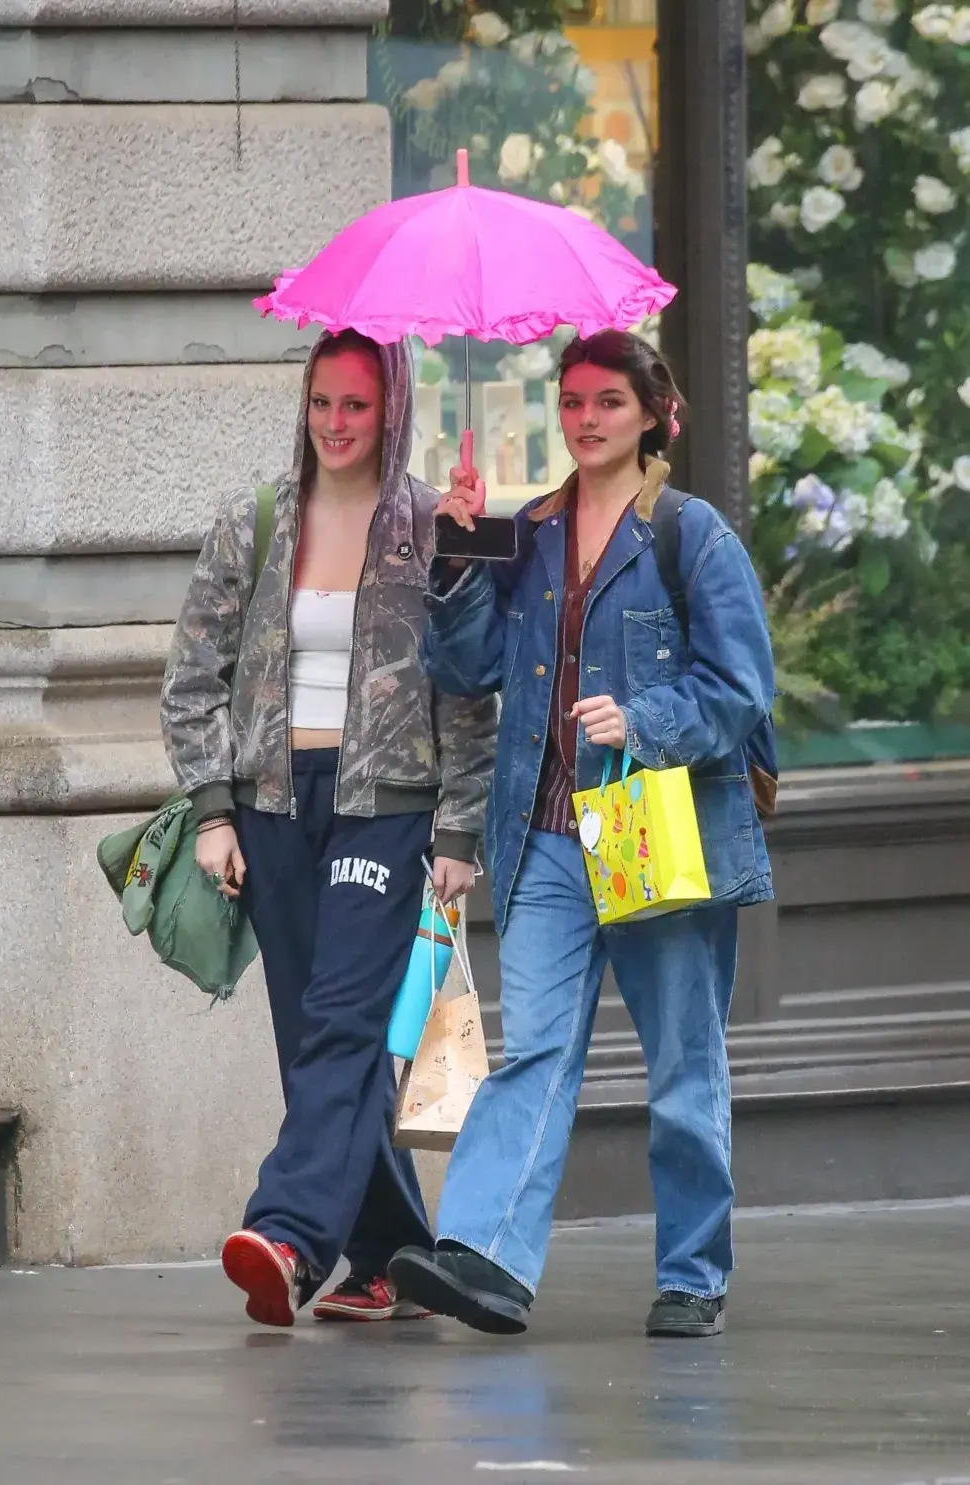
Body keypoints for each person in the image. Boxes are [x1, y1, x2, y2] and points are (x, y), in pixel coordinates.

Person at [389, 330, 775, 1340]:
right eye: (571, 402)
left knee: (683, 1062)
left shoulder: (692, 535)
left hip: (653, 831)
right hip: (549, 839)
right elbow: (469, 670)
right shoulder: (534, 531)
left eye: (607, 401)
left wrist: (644, 721)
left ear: (651, 413)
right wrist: (458, 554)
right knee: (536, 1053)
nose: (586, 419)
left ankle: (692, 1272)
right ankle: (484, 1259)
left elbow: (743, 691)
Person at [160, 329, 496, 1327]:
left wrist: (460, 835)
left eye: (354, 405)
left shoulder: (431, 527)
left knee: (347, 1027)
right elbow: (190, 683)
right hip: (272, 805)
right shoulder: (254, 521)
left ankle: (291, 1237)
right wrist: (214, 812)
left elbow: (470, 698)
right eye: (321, 404)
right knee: (314, 1034)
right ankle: (392, 1256)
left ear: (389, 408)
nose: (335, 424)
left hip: (386, 810)